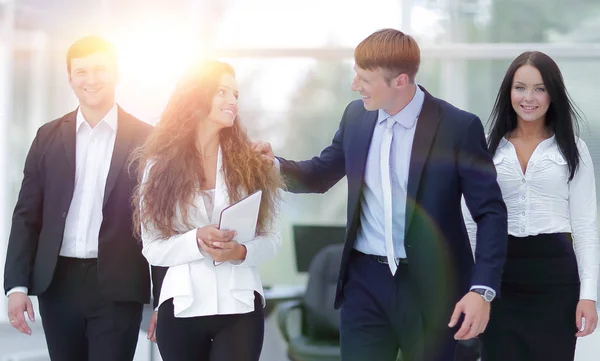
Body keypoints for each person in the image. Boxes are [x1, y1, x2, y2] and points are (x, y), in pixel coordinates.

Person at [254, 28, 508, 361]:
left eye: (364, 79)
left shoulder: (458, 128)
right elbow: (320, 175)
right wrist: (270, 165)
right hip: (364, 283)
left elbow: (490, 212)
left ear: (400, 81)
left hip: (432, 285)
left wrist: (482, 290)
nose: (354, 85)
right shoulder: (356, 117)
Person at [3, 35, 164, 361]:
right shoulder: (47, 137)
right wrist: (16, 286)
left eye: (100, 70)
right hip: (57, 284)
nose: (91, 80)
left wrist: (164, 299)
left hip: (118, 285)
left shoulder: (148, 140)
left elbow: (160, 222)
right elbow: (26, 215)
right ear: (70, 78)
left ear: (117, 74)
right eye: (81, 72)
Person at [132, 60, 283, 361]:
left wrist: (239, 252)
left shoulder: (250, 164)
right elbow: (153, 248)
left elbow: (272, 240)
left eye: (236, 94)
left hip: (239, 307)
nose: (232, 101)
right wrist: (197, 240)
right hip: (182, 306)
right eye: (222, 92)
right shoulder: (159, 168)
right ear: (196, 97)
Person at [462, 51, 600, 361]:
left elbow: (586, 227)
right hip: (499, 276)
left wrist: (589, 296)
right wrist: (475, 286)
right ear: (508, 92)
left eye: (539, 88)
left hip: (556, 278)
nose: (529, 98)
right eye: (520, 87)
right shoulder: (484, 146)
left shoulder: (573, 149)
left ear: (553, 94)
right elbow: (471, 222)